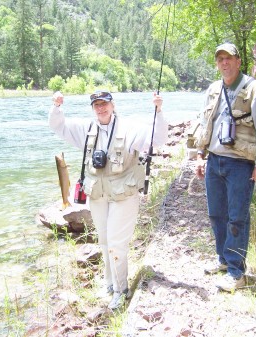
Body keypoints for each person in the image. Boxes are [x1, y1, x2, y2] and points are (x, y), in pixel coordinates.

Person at [49, 90, 168, 309]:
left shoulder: (130, 127)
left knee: (116, 243)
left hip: (123, 195)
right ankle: (110, 282)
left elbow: (158, 138)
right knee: (103, 241)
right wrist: (56, 107)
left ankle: (122, 290)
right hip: (98, 195)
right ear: (93, 109)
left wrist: (158, 111)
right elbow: (59, 126)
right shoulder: (86, 129)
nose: (101, 108)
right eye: (97, 105)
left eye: (105, 104)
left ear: (113, 105)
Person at [195, 43, 256, 292]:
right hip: (214, 161)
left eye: (228, 58)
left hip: (241, 163)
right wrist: (200, 154)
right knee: (216, 214)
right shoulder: (213, 89)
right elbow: (204, 122)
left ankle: (237, 272)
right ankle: (223, 259)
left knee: (237, 217)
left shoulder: (255, 90)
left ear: (238, 61)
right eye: (220, 59)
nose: (224, 63)